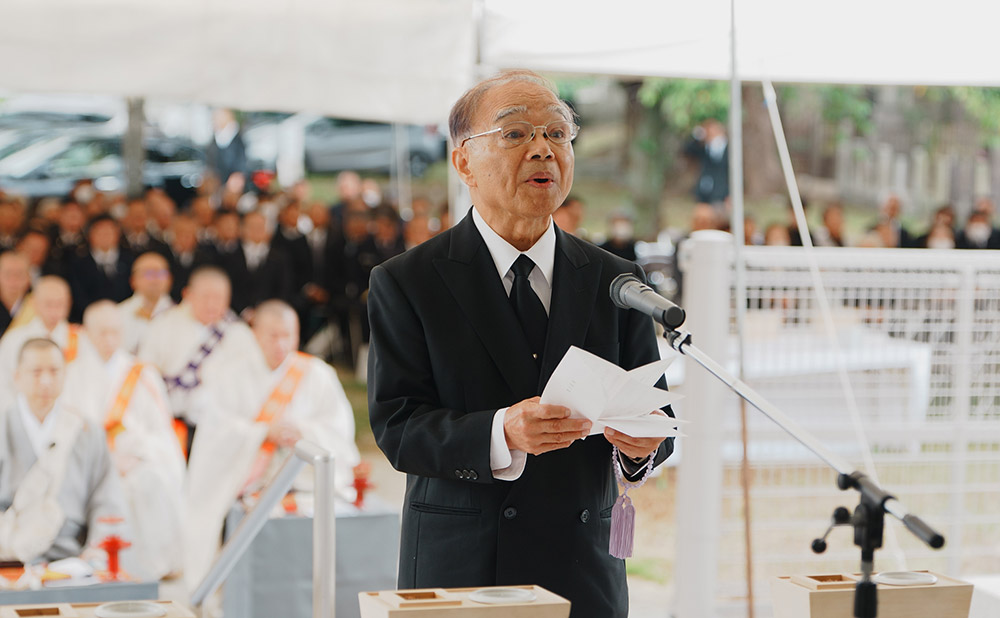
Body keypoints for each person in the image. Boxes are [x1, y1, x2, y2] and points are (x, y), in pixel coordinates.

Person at [366, 70, 674, 618]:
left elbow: (656, 417)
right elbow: (398, 427)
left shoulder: (615, 280)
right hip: (464, 565)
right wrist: (500, 431)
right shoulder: (409, 281)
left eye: (557, 133)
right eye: (515, 134)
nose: (543, 150)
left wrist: (640, 449)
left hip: (583, 566)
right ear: (463, 161)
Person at [184, 300, 360, 587]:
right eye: (272, 335)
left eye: (287, 335)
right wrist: (264, 432)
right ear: (255, 334)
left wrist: (301, 431)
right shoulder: (232, 374)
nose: (281, 344)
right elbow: (216, 433)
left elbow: (339, 429)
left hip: (304, 483)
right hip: (247, 481)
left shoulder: (318, 374)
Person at [66, 302, 184, 579]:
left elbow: (161, 432)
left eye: (115, 332)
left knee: (150, 481)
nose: (110, 339)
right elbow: (66, 431)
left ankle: (152, 568)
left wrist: (139, 454)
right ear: (87, 333)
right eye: (102, 332)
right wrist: (106, 460)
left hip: (136, 460)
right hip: (90, 464)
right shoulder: (71, 375)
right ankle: (98, 564)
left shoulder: (141, 374)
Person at [0, 338, 129, 565]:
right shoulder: (4, 426)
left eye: (54, 371)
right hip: (8, 554)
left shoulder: (86, 432)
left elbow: (106, 499)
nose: (46, 381)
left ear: (65, 374)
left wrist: (97, 549)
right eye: (36, 372)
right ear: (17, 377)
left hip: (73, 558)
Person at [138, 266, 258, 455]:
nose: (211, 304)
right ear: (189, 295)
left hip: (218, 429)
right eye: (205, 296)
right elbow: (145, 371)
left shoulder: (240, 334)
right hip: (170, 424)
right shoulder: (164, 324)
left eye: (218, 298)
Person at [0, 276, 88, 411]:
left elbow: (87, 385)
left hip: (69, 414)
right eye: (48, 304)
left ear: (69, 304)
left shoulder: (81, 338)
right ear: (34, 303)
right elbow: (3, 384)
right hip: (22, 413)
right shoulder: (13, 339)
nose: (54, 310)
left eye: (60, 304)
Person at [118, 252, 175, 354]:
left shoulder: (181, 313)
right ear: (133, 280)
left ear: (170, 280)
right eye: (149, 273)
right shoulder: (118, 313)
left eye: (161, 273)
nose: (155, 279)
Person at [684, 118, 729, 206]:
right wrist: (698, 135)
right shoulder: (703, 148)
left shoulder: (729, 149)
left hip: (722, 192)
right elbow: (687, 149)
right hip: (704, 191)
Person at [0, 251, 31, 336]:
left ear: (29, 277)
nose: (13, 280)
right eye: (7, 274)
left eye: (19, 274)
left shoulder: (36, 307)